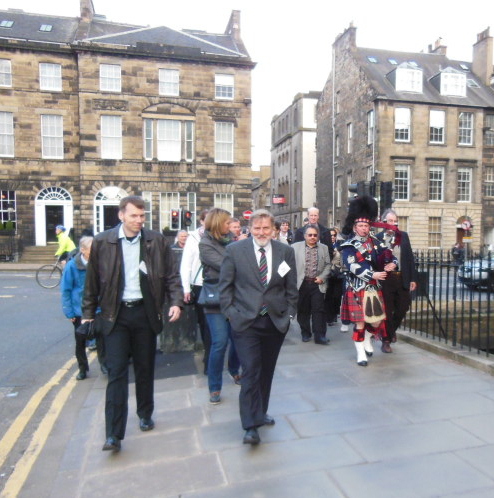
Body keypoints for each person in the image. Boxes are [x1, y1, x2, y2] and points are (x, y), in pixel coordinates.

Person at [82, 196, 183, 453]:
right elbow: (91, 282)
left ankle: (145, 413)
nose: (139, 221)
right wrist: (88, 314)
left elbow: (171, 275)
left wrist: (176, 302)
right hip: (115, 316)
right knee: (116, 372)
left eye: (142, 216)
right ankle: (113, 434)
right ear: (121, 216)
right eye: (133, 216)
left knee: (144, 367)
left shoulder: (156, 240)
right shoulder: (103, 241)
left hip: (144, 313)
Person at [219, 209, 298, 445]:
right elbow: (225, 287)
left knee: (266, 370)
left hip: (274, 321)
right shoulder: (234, 250)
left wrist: (289, 314)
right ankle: (250, 425)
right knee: (251, 370)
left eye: (266, 228)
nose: (261, 233)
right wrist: (232, 314)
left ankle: (261, 412)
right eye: (257, 228)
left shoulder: (285, 251)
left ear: (273, 229)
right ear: (250, 228)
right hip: (246, 322)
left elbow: (291, 287)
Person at [340, 196, 396, 367]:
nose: (364, 228)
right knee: (360, 322)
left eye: (366, 225)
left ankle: (367, 338)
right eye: (361, 226)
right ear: (354, 227)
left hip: (373, 288)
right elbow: (352, 266)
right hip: (357, 287)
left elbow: (389, 256)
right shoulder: (348, 246)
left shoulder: (376, 243)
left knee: (376, 321)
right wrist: (373, 274)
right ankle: (360, 353)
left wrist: (393, 263)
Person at [199, 208, 241, 405]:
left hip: (236, 297)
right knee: (220, 342)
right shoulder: (205, 244)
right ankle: (214, 386)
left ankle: (234, 369)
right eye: (226, 222)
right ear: (217, 223)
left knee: (238, 339)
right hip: (215, 300)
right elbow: (225, 265)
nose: (230, 225)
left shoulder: (232, 240)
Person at [376, 209, 417, 353]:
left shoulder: (403, 236)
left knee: (403, 307)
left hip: (402, 278)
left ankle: (390, 331)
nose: (393, 224)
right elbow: (374, 259)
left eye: (395, 221)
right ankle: (386, 340)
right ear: (383, 222)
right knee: (387, 310)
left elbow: (409, 258)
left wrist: (413, 278)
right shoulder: (377, 238)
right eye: (390, 221)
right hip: (386, 279)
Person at [179, 209, 211, 374]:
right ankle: (208, 358)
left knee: (214, 325)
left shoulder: (220, 235)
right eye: (207, 219)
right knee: (205, 323)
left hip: (218, 284)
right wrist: (186, 288)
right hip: (200, 285)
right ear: (201, 221)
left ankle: (211, 356)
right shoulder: (193, 238)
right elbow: (186, 265)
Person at [61, 236, 94, 380]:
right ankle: (82, 369)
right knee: (80, 342)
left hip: (97, 308)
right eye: (92, 250)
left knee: (103, 340)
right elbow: (66, 290)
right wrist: (69, 312)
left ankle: (105, 365)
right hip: (79, 310)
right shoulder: (72, 266)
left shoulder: (99, 262)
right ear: (83, 250)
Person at [292, 224, 332, 345]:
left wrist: (322, 277)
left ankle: (319, 336)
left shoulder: (323, 248)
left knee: (318, 310)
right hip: (302, 284)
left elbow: (328, 265)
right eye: (310, 235)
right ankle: (305, 332)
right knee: (303, 310)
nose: (312, 237)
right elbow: (288, 264)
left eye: (315, 235)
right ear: (305, 236)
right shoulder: (294, 247)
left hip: (317, 284)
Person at [325, 228, 344, 326]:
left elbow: (343, 260)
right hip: (328, 274)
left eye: (334, 235)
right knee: (329, 296)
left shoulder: (340, 245)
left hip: (338, 274)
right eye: (330, 235)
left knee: (337, 296)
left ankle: (335, 313)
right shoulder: (324, 245)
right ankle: (329, 317)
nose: (332, 237)